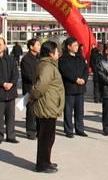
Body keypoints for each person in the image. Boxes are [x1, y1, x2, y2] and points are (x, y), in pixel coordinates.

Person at [30, 41, 65, 173]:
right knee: (46, 137)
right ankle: (42, 165)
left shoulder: (49, 65)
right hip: (47, 106)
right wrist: (33, 96)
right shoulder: (47, 66)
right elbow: (41, 87)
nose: (58, 53)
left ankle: (47, 161)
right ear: (51, 53)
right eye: (56, 51)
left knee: (49, 137)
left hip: (50, 105)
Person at [59, 37, 89, 138]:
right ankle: (69, 130)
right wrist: (75, 79)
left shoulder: (80, 57)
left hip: (80, 88)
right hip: (70, 88)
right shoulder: (63, 59)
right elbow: (65, 71)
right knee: (68, 110)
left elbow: (86, 70)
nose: (77, 47)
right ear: (69, 46)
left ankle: (80, 129)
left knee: (80, 110)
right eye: (75, 45)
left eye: (77, 45)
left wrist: (84, 79)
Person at [20, 38, 41, 139]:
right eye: (37, 45)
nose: (39, 46)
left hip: (40, 88)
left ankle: (39, 130)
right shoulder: (26, 59)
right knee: (31, 112)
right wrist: (39, 80)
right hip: (30, 89)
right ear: (31, 47)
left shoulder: (39, 58)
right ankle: (31, 131)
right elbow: (28, 75)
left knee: (39, 111)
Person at [0, 37, 19, 144]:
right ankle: (0, 136)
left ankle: (11, 135)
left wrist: (11, 83)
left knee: (10, 116)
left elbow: (15, 74)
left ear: (5, 46)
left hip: (11, 92)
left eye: (1, 44)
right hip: (1, 92)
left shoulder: (11, 59)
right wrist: (3, 83)